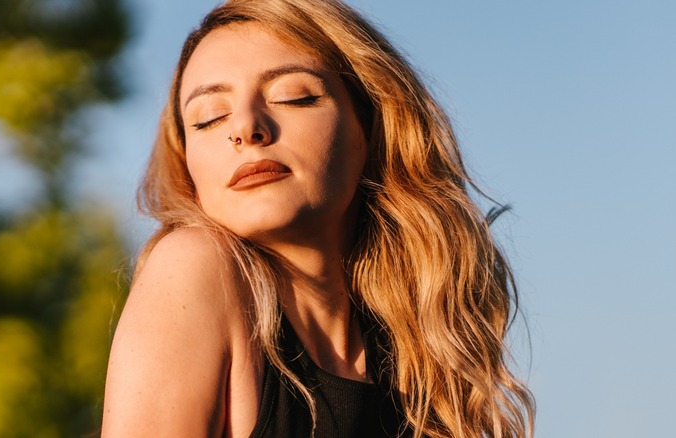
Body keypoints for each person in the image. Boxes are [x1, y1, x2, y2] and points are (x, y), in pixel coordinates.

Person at [102, 0, 535, 436]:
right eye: (208, 118)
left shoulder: (425, 360)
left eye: (293, 96)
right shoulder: (192, 266)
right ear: (189, 168)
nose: (245, 128)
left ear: (369, 128)